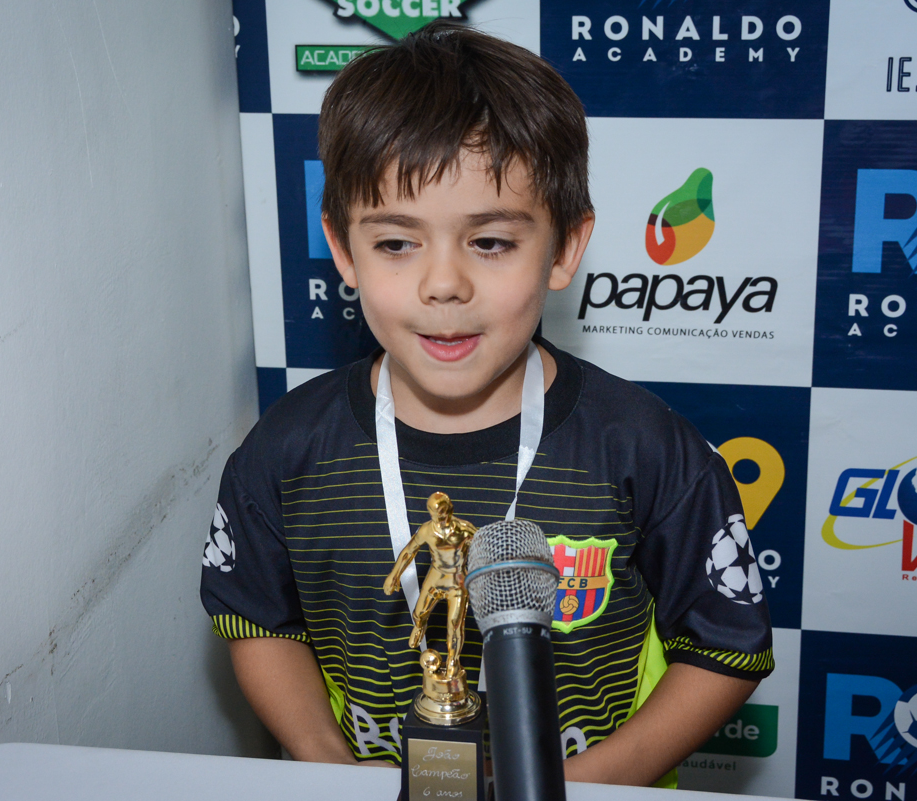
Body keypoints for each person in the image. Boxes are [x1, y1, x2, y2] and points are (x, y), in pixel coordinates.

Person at [200, 22, 773, 787]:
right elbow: (257, 623)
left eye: (491, 242)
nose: (444, 284)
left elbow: (726, 648)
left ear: (566, 247)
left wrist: (580, 784)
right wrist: (335, 773)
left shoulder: (643, 447)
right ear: (342, 251)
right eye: (397, 243)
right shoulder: (285, 451)